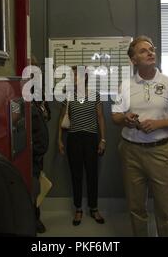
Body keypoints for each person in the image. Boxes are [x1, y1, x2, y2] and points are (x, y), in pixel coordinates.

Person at [111, 35, 168, 237]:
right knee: (136, 208)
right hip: (131, 152)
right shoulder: (126, 85)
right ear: (133, 59)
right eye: (143, 50)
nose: (150, 52)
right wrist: (125, 118)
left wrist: (157, 124)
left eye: (151, 49)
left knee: (165, 209)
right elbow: (115, 115)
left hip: (160, 152)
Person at [58, 66, 106, 226]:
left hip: (91, 138)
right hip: (74, 139)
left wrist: (103, 139)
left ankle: (94, 208)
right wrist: (59, 140)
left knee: (92, 174)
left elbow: (100, 118)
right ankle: (78, 209)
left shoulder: (95, 95)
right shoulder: (69, 96)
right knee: (76, 175)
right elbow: (61, 119)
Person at [31, 98, 51, 233]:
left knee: (38, 186)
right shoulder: (27, 100)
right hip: (30, 154)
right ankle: (34, 220)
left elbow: (48, 117)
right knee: (33, 188)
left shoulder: (40, 100)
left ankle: (35, 218)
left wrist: (44, 106)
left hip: (38, 155)